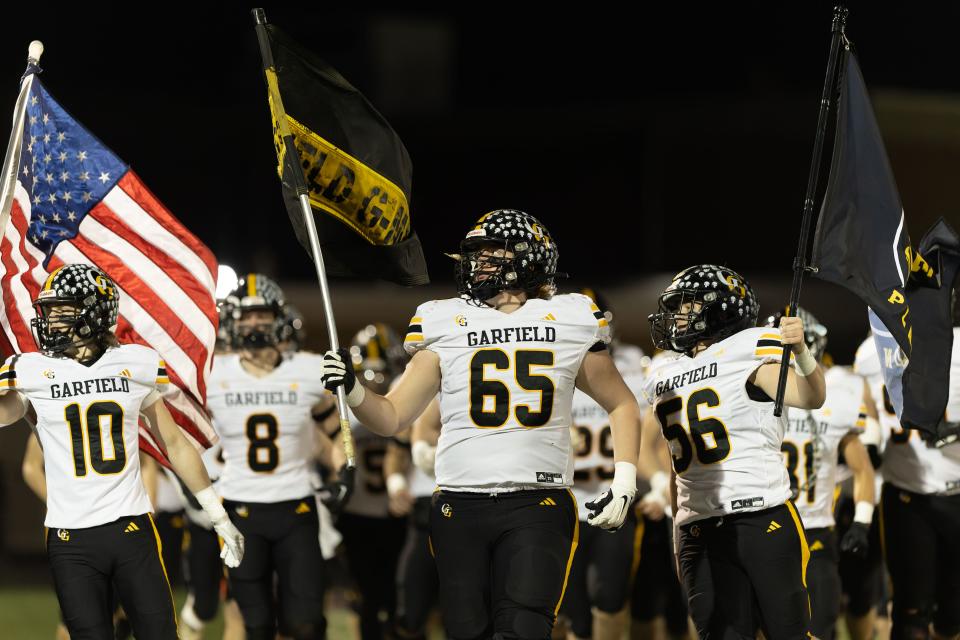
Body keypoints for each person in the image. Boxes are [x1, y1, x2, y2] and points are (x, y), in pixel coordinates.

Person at [321, 208, 643, 639]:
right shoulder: (445, 321)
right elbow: (392, 416)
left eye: (492, 253)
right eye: (476, 254)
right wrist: (355, 389)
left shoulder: (568, 317)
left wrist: (625, 481)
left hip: (538, 500)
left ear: (527, 257)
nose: (478, 263)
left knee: (524, 628)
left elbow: (621, 403)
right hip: (459, 502)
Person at [0, 264, 243, 639]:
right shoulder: (33, 371)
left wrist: (217, 513)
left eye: (62, 311)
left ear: (93, 311)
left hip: (131, 528)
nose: (51, 321)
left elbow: (174, 443)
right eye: (50, 312)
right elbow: (4, 415)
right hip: (70, 537)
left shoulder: (134, 364)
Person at [644, 264, 826, 640]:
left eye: (687, 306)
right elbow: (682, 462)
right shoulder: (664, 372)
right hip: (698, 524)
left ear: (720, 308)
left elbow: (811, 395)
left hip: (762, 516)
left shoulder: (746, 350)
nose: (676, 316)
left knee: (788, 633)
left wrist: (802, 353)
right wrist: (680, 526)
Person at [206, 273, 333, 640]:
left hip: (297, 508)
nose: (254, 323)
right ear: (232, 320)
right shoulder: (214, 373)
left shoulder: (307, 368)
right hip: (241, 510)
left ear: (278, 317)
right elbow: (184, 432)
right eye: (246, 316)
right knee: (256, 624)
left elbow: (333, 427)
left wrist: (344, 467)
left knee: (307, 622)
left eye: (261, 314)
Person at [766, 307, 876, 640]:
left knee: (820, 626)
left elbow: (863, 469)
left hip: (815, 530)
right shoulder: (753, 395)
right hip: (768, 529)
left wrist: (862, 520)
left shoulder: (837, 400)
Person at [560, 288, 649, 640]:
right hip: (567, 503)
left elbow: (652, 432)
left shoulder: (631, 367)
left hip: (615, 500)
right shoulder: (547, 365)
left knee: (610, 597)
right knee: (569, 604)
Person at [872, 318, 960, 640]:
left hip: (931, 491)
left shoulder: (874, 349)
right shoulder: (874, 350)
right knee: (914, 614)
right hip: (909, 495)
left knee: (942, 616)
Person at [329, 323, 410, 639]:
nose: (376, 381)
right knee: (368, 598)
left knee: (395, 597)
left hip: (393, 513)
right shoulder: (342, 408)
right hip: (360, 514)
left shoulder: (404, 408)